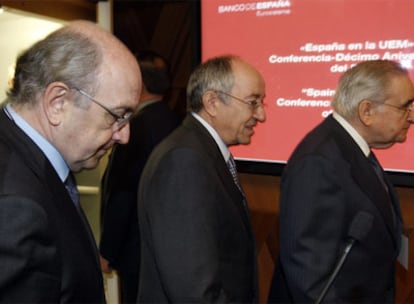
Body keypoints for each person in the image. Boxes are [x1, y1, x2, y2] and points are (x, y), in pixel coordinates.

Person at [0, 20, 142, 302]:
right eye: (117, 115)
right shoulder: (16, 205)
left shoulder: (24, 152)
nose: (125, 135)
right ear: (58, 103)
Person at [269, 60, 414, 303]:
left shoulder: (350, 148)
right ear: (366, 111)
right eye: (405, 107)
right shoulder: (319, 162)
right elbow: (309, 276)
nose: (411, 117)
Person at [137, 55, 266, 302]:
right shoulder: (184, 161)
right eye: (252, 102)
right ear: (212, 102)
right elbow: (193, 288)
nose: (261, 115)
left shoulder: (200, 152)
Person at [99, 50, 180, 303]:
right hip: (165, 245)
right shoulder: (175, 120)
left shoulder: (138, 126)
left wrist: (107, 249)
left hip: (135, 246)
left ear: (139, 85)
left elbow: (124, 191)